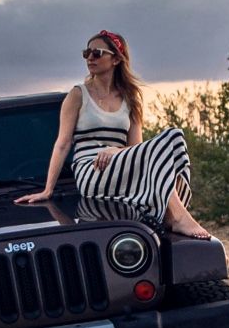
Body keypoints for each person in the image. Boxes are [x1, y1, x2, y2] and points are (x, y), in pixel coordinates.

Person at [15, 30, 211, 240]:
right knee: (167, 140)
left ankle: (171, 213)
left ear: (116, 59)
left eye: (97, 53)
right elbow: (62, 144)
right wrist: (47, 190)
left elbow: (137, 148)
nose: (90, 58)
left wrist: (116, 150)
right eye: (86, 53)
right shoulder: (78, 95)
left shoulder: (131, 98)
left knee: (175, 137)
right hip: (92, 171)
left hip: (122, 167)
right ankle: (177, 218)